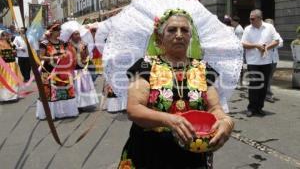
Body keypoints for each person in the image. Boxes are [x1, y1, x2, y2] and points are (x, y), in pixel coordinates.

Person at [118, 9, 234, 169]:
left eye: (185, 30)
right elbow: (134, 108)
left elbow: (214, 108)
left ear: (190, 37)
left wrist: (226, 122)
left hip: (193, 151)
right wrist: (170, 120)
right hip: (150, 152)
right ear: (160, 37)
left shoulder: (203, 68)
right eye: (172, 30)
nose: (179, 34)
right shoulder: (146, 65)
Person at [36, 23, 79, 120]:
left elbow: (69, 52)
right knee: (50, 92)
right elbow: (41, 57)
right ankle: (51, 113)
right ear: (52, 31)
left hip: (63, 71)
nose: (60, 32)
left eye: (60, 30)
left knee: (64, 91)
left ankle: (63, 112)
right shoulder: (44, 43)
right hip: (49, 71)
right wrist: (53, 57)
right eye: (58, 30)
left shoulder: (62, 43)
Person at [241, 9, 280, 117]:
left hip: (266, 61)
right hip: (253, 61)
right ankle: (251, 108)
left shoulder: (269, 27)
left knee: (263, 85)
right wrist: (256, 46)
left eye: (252, 18)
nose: (250, 20)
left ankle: (259, 107)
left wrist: (267, 47)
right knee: (254, 84)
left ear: (259, 18)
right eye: (250, 18)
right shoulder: (248, 29)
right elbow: (243, 44)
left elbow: (276, 40)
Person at [60, 21, 99, 109]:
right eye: (75, 34)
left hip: (82, 69)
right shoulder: (67, 46)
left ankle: (83, 104)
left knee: (84, 87)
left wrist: (85, 57)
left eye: (78, 34)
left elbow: (87, 55)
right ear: (71, 36)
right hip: (73, 71)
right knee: (75, 88)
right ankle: (75, 104)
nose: (78, 36)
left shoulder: (83, 44)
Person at [264, 19, 283, 103]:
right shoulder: (262, 34)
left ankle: (266, 93)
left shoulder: (276, 34)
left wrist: (272, 44)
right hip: (263, 59)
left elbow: (281, 43)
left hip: (273, 59)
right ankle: (266, 94)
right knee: (263, 77)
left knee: (269, 77)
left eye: (271, 25)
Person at [0, 30, 22, 102]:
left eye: (6, 35)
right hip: (4, 65)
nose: (5, 36)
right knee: (6, 80)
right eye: (3, 35)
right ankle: (6, 97)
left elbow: (14, 50)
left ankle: (13, 96)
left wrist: (14, 51)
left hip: (12, 64)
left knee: (13, 79)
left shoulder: (10, 43)